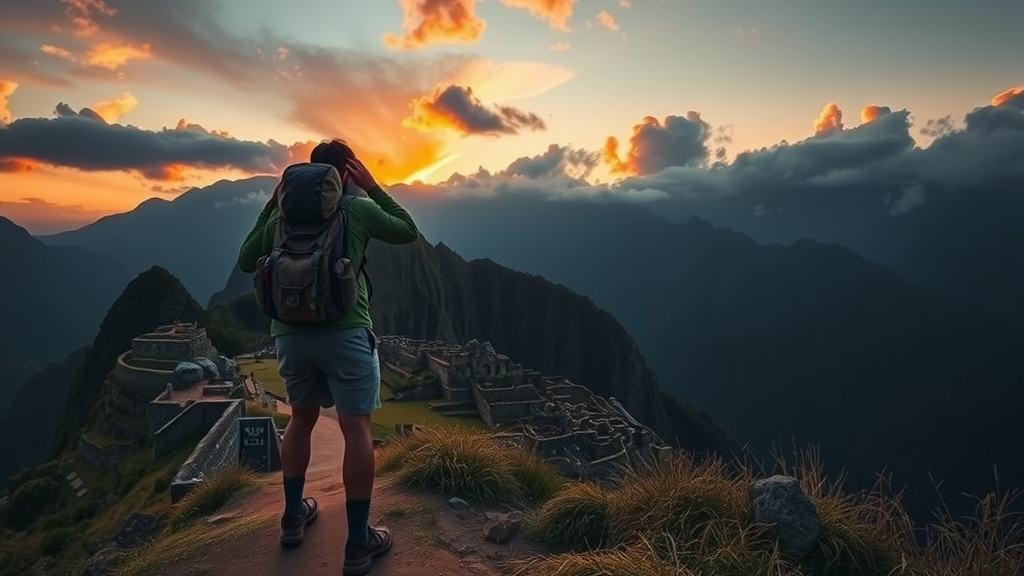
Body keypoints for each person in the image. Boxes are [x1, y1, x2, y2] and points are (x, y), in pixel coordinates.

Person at [236, 138, 419, 576]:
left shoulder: (281, 217)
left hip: (290, 337)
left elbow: (246, 260)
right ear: (345, 174)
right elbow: (406, 229)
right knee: (356, 427)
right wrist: (373, 187)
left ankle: (293, 515)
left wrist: (270, 206)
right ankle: (358, 541)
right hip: (346, 332)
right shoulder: (356, 210)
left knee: (301, 419)